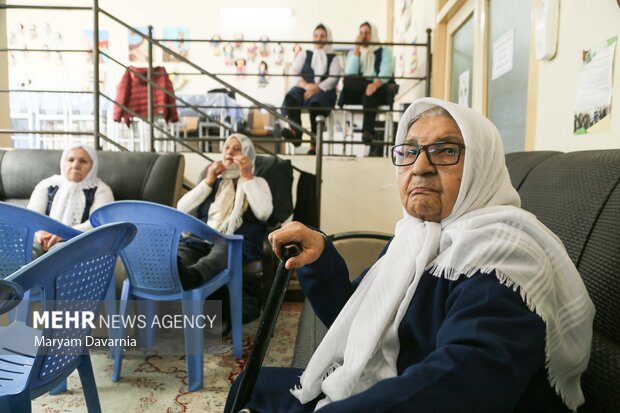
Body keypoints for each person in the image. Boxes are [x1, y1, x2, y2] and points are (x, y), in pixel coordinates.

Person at [225, 98, 594, 413]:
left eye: (446, 150)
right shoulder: (418, 236)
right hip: (390, 381)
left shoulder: (503, 255)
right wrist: (322, 261)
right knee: (249, 386)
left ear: (481, 167)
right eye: (409, 151)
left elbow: (462, 382)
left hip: (417, 396)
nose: (420, 166)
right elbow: (364, 322)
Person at [176, 134, 273, 320]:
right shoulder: (214, 181)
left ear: (248, 155)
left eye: (237, 149)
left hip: (235, 242)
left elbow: (263, 213)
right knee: (182, 250)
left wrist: (247, 177)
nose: (230, 152)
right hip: (200, 239)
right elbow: (182, 208)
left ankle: (193, 277)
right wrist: (208, 181)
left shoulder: (258, 182)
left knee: (224, 248)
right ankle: (178, 284)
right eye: (227, 148)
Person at [27, 144, 114, 255]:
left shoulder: (102, 190)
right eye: (70, 160)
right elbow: (32, 216)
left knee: (59, 253)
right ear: (63, 162)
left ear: (93, 165)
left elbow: (97, 223)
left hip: (78, 240)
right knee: (27, 250)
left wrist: (63, 234)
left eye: (83, 161)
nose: (75, 165)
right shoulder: (47, 184)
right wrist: (41, 233)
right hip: (41, 237)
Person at [281, 23, 340, 155]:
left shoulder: (333, 57)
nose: (318, 38)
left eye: (322, 36)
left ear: (328, 38)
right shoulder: (304, 53)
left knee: (315, 104)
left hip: (324, 92)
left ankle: (314, 145)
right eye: (316, 35)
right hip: (304, 88)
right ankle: (296, 132)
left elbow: (333, 78)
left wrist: (315, 89)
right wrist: (306, 86)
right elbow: (293, 72)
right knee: (291, 97)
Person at [341, 21, 395, 155]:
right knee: (348, 80)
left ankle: (367, 132)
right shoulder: (354, 52)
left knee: (370, 94)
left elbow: (386, 71)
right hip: (360, 89)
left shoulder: (384, 51)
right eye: (361, 33)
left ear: (373, 34)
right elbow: (350, 73)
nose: (363, 36)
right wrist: (356, 50)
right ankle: (368, 131)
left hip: (378, 88)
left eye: (367, 33)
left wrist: (375, 84)